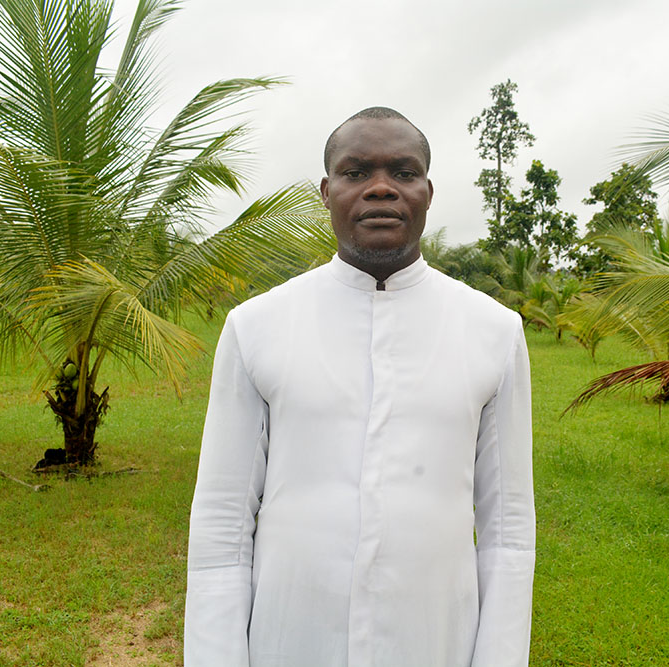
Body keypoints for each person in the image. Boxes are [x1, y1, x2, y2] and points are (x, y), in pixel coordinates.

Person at [185, 107, 535, 667]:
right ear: (326, 192)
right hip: (290, 639)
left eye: (402, 172)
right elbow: (222, 526)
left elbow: (509, 532)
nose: (380, 189)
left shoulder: (493, 330)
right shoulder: (256, 326)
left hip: (437, 639)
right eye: (355, 173)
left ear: (428, 190)